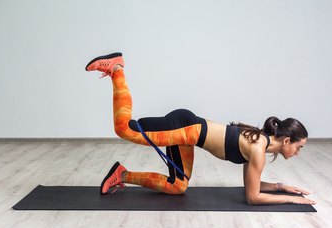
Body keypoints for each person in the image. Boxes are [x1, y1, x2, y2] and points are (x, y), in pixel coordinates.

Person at [85, 52, 316, 205]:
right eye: (299, 147)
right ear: (286, 140)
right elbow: (252, 197)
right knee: (124, 129)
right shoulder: (258, 149)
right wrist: (290, 199)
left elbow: (251, 185)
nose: (298, 153)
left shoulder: (260, 145)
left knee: (177, 186)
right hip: (185, 128)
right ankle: (117, 69)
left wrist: (282, 187)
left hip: (188, 136)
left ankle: (121, 175)